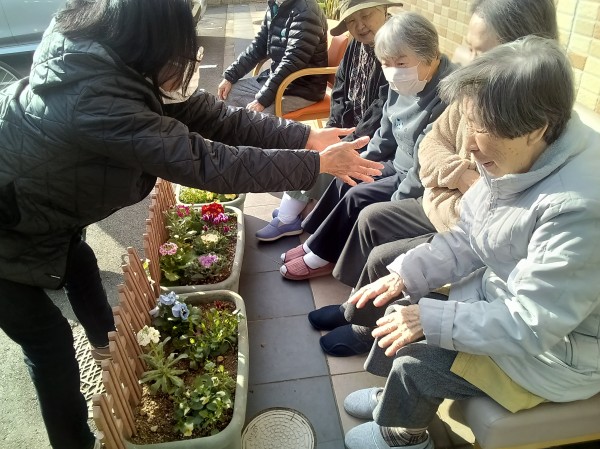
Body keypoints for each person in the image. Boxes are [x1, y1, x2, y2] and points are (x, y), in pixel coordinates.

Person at [0, 1, 384, 448]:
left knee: (77, 259)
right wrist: (314, 164)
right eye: (180, 47)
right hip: (9, 220)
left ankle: (110, 351)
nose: (185, 59)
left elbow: (210, 116)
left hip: (39, 209)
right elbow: (208, 162)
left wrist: (305, 136)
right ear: (149, 41)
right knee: (47, 343)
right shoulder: (97, 99)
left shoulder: (111, 62)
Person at [343, 35, 600, 449]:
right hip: (503, 301)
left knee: (419, 359)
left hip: (556, 353)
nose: (467, 146)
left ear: (537, 129)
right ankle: (393, 399)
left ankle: (404, 434)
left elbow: (532, 323)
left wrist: (429, 321)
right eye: (468, 124)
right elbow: (471, 236)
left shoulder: (578, 210)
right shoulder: (518, 158)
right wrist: (408, 273)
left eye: (480, 129)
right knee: (401, 304)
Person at [308, 0, 559, 357]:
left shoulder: (525, 120)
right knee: (371, 218)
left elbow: (485, 215)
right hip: (441, 203)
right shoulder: (476, 89)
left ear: (522, 50)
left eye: (479, 50)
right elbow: (430, 146)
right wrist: (458, 174)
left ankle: (365, 326)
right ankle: (356, 304)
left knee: (382, 253)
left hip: (456, 221)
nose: (464, 59)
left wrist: (445, 185)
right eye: (469, 46)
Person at [279, 12, 457, 280]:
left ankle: (323, 254)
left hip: (417, 178)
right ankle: (318, 243)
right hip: (396, 163)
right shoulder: (403, 78)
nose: (393, 71)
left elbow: (422, 168)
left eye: (401, 62)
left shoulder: (446, 96)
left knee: (358, 197)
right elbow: (385, 133)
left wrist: (392, 209)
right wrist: (359, 162)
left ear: (431, 55)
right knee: (347, 176)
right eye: (386, 63)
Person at [255, 0, 398, 242]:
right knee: (315, 143)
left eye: (366, 15)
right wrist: (333, 127)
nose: (360, 26)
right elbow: (340, 89)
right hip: (351, 126)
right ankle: (294, 211)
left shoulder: (395, 47)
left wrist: (349, 139)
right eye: (351, 21)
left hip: (377, 137)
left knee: (328, 154)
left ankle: (290, 217)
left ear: (384, 10)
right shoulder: (357, 44)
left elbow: (382, 108)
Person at [216, 0, 328, 114]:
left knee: (257, 117)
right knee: (228, 94)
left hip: (302, 88)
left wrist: (262, 99)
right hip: (279, 80)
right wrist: (230, 76)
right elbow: (258, 46)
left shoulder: (306, 10)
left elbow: (293, 61)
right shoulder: (275, 5)